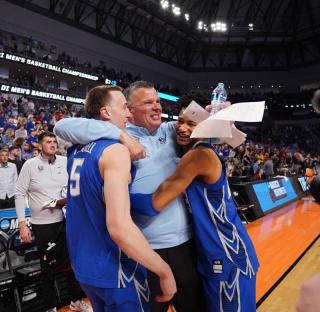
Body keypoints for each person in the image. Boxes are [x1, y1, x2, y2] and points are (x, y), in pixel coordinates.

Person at [54, 81, 206, 311]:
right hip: (142, 248)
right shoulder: (118, 140)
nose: (157, 107)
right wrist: (121, 135)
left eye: (158, 101)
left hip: (181, 243)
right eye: (147, 103)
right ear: (130, 110)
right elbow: (62, 126)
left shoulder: (171, 131)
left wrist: (218, 112)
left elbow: (203, 125)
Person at [130, 90, 259, 311]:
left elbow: (154, 204)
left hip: (228, 253)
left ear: (206, 126)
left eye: (192, 123)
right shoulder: (192, 150)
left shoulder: (198, 156)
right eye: (180, 120)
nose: (182, 128)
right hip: (208, 252)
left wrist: (114, 196)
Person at [15, 131, 91, 312]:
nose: (53, 144)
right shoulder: (30, 165)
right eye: (48, 142)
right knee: (48, 268)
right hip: (43, 225)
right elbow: (19, 194)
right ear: (40, 145)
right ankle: (50, 307)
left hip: (68, 221)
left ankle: (76, 300)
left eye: (54, 141)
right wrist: (22, 224)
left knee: (73, 264)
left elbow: (76, 189)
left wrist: (60, 203)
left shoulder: (66, 162)